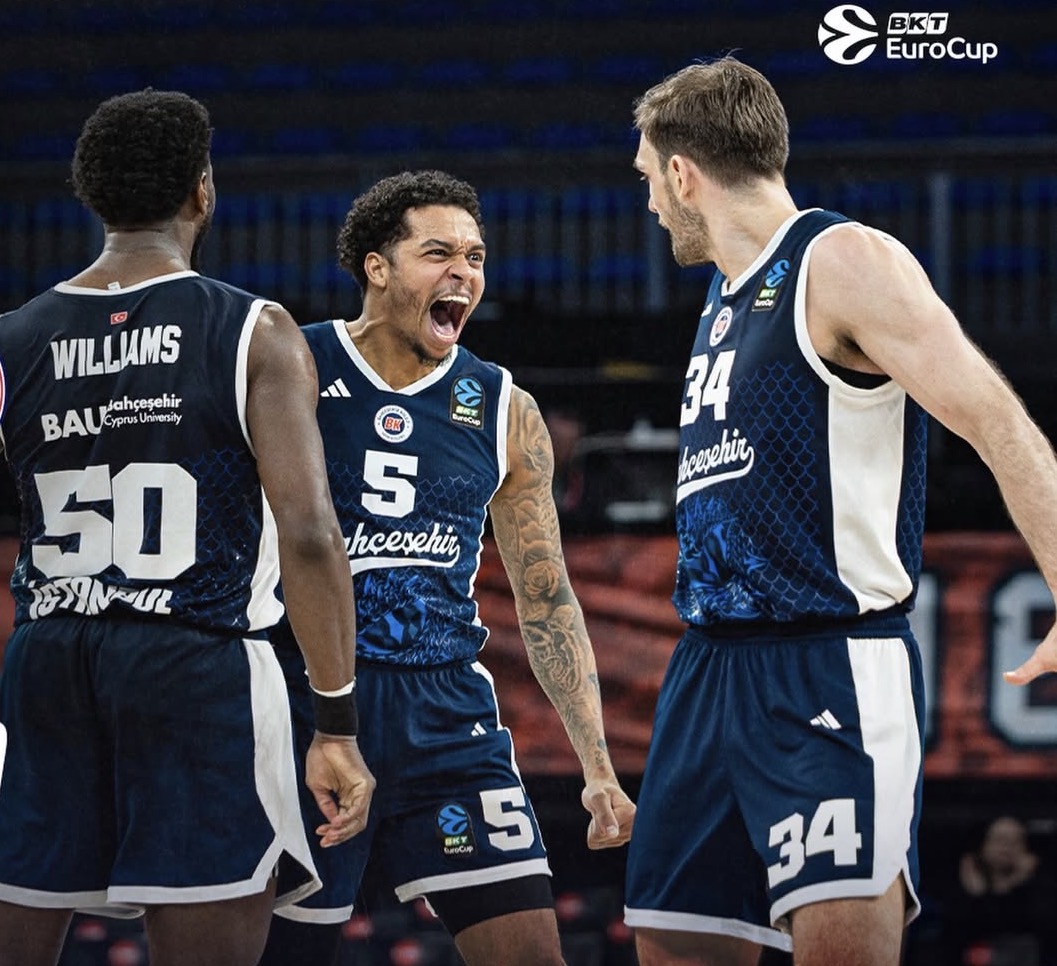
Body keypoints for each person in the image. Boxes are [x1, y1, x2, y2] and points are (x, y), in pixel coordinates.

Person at [622, 56, 1057, 966]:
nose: (650, 203)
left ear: (682, 172)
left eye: (648, 176)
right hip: (706, 669)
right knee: (674, 943)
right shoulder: (723, 295)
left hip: (827, 662)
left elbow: (998, 421)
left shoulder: (842, 260)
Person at [0, 89, 375, 966]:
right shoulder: (251, 328)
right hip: (194, 662)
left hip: (47, 657)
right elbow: (309, 534)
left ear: (92, 196)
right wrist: (335, 723)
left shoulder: (12, 338)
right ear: (201, 190)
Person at [259, 170, 636, 966]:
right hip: (306, 703)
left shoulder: (503, 406)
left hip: (445, 713)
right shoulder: (292, 362)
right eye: (438, 253)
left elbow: (545, 597)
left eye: (475, 256)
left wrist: (597, 767)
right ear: (377, 266)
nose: (463, 272)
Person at [941, 816, 1057, 966]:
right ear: (983, 845)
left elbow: (1042, 930)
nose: (1006, 847)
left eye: (1015, 842)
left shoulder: (1042, 887)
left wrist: (1013, 882)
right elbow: (956, 934)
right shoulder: (965, 884)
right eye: (1000, 840)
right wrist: (974, 895)